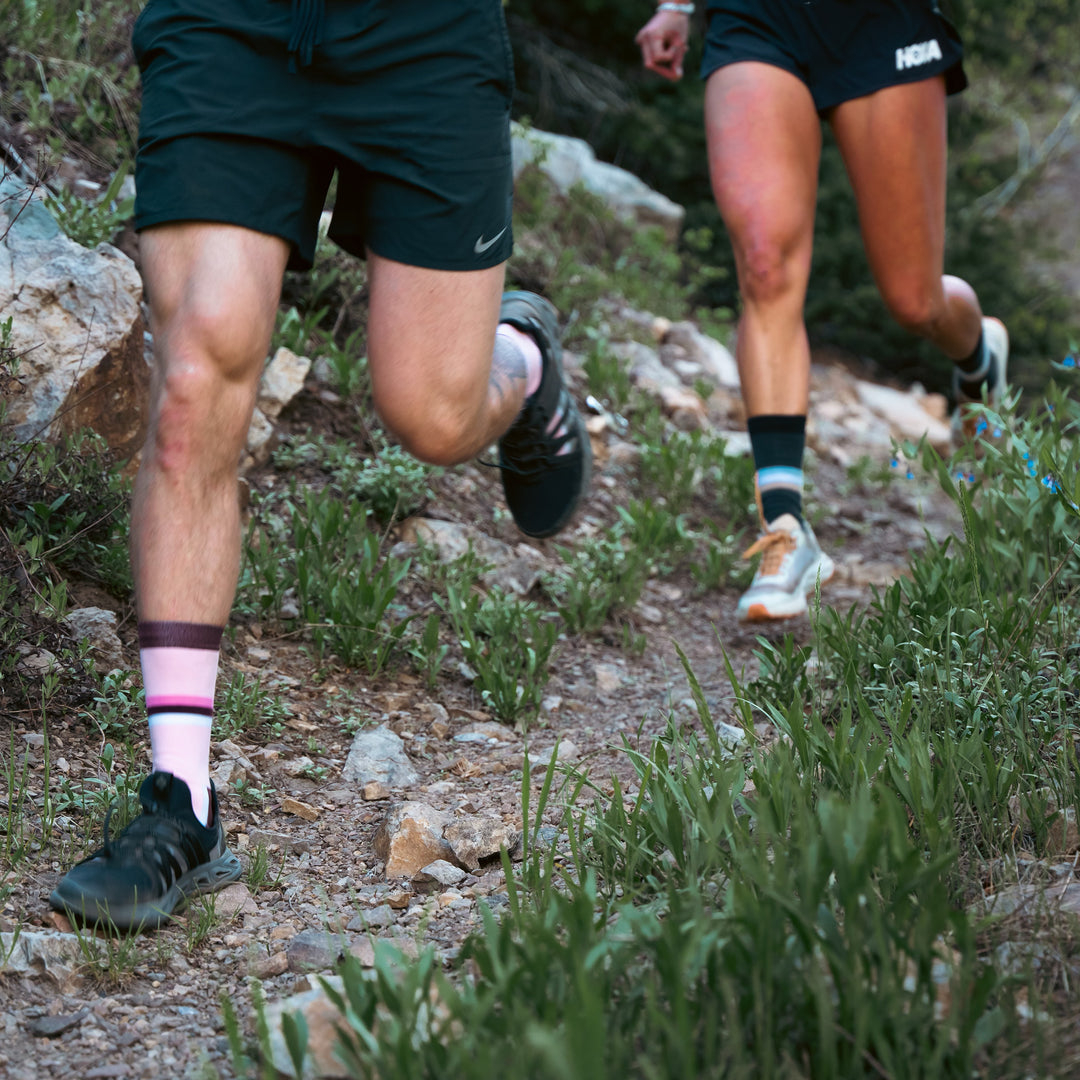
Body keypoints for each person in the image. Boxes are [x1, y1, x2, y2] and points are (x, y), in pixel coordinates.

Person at [49, 0, 591, 930]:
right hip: (230, 24)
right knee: (194, 370)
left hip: (425, 35)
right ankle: (181, 804)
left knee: (431, 411)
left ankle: (524, 363)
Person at [635, 0, 1008, 622]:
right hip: (756, 20)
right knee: (764, 265)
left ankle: (979, 351)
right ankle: (785, 529)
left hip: (881, 24)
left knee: (915, 301)